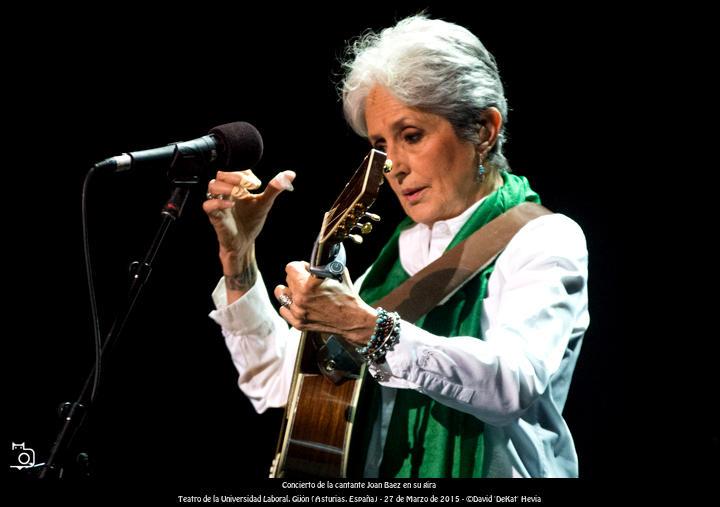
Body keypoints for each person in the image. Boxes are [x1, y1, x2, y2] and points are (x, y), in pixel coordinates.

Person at [203, 15, 589, 478]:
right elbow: (276, 383)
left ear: (483, 130)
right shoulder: (394, 262)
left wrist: (369, 327)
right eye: (380, 144)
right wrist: (238, 258)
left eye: (412, 136)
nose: (393, 166)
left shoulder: (544, 237)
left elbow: (512, 384)